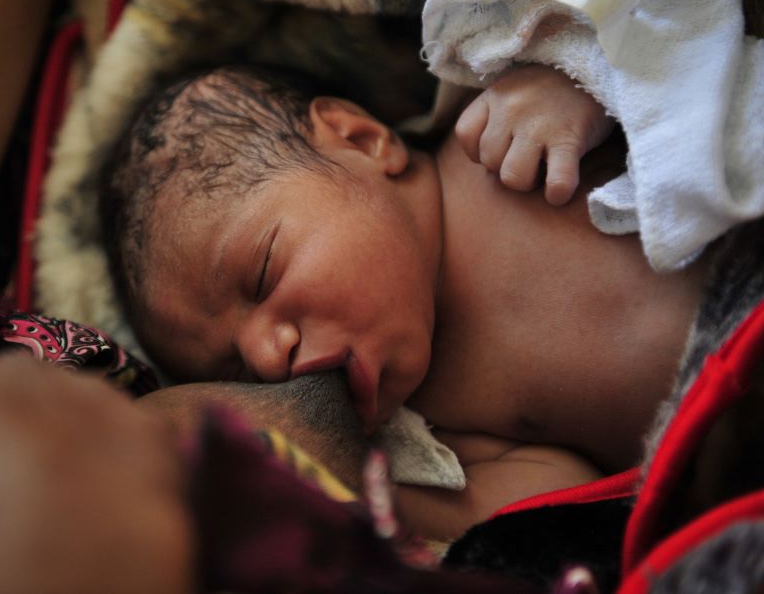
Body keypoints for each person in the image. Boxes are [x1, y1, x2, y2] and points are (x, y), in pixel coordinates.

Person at [99, 62, 712, 538]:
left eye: (262, 274)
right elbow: (553, 498)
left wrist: (584, 76)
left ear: (361, 140)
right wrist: (362, 488)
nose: (267, 356)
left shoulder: (498, 130)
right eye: (238, 371)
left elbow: (669, 14)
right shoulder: (432, 422)